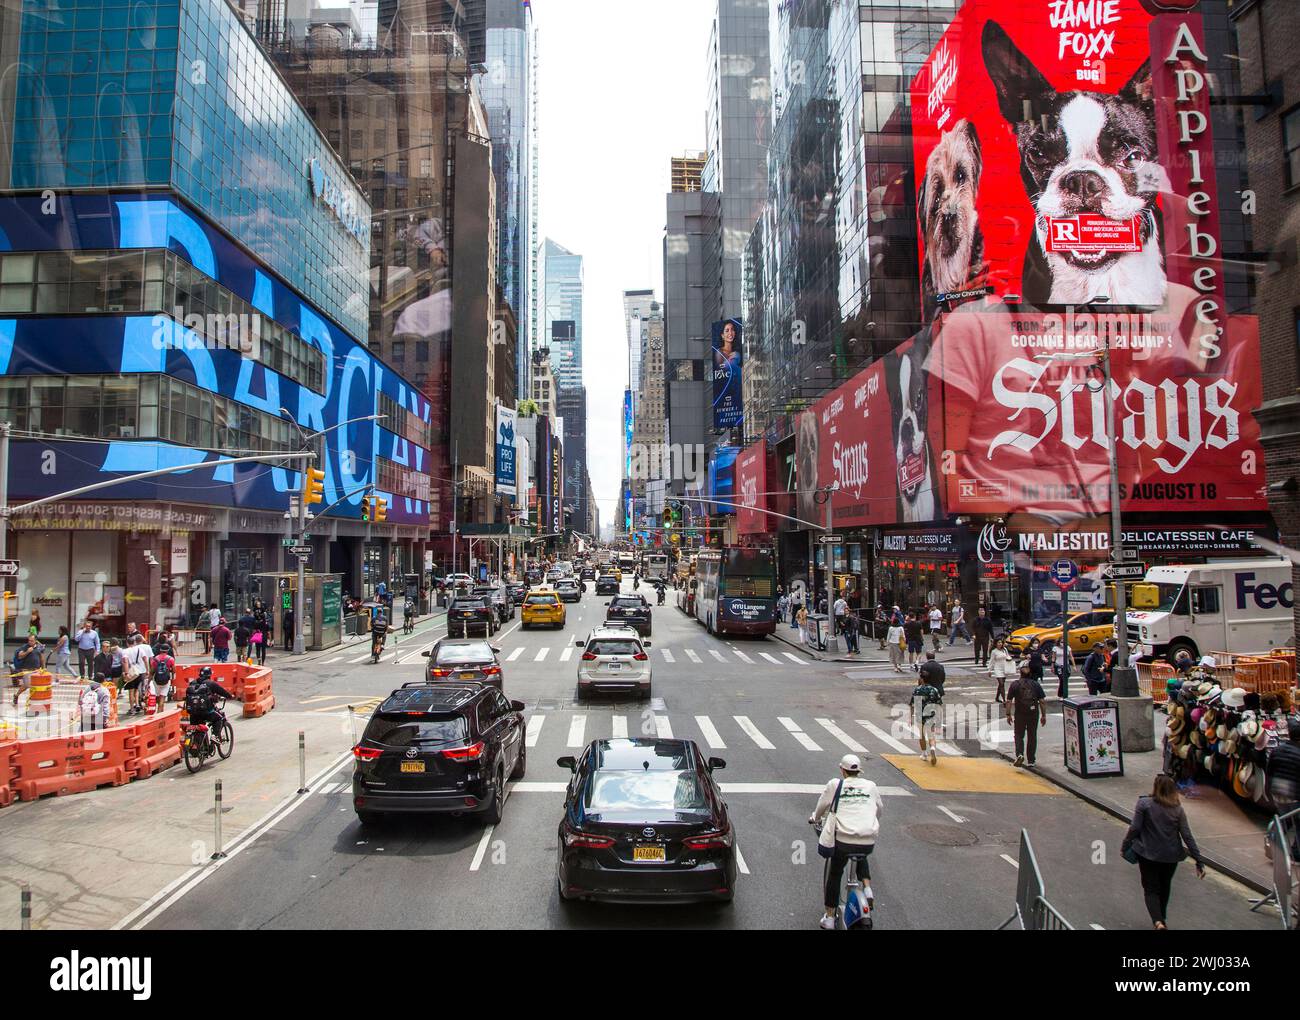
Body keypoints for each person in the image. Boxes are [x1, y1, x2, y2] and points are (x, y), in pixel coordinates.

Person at [1121, 775, 1205, 929]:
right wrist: (1199, 860)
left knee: (1151, 889)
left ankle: (1158, 921)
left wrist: (1125, 845)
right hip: (1171, 857)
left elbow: (1135, 828)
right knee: (1165, 887)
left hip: (1148, 854)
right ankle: (1162, 918)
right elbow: (1187, 835)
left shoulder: (1144, 803)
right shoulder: (1178, 810)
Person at [810, 753, 881, 929]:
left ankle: (829, 917)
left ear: (842, 770)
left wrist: (815, 817)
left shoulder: (836, 784)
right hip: (867, 838)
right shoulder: (871, 786)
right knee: (861, 853)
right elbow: (878, 809)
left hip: (843, 839)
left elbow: (821, 807)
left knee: (835, 873)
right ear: (859, 771)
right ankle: (867, 887)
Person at [1005, 662, 1047, 768]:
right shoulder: (1035, 684)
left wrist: (1008, 714)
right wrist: (1043, 715)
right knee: (1032, 735)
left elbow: (1009, 701)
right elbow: (1042, 701)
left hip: (1020, 713)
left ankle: (1019, 754)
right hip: (1033, 713)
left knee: (1019, 735)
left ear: (1020, 672)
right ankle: (1031, 760)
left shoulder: (1015, 684)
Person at [184, 666, 236, 744]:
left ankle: (200, 747)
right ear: (209, 675)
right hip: (206, 712)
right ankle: (215, 736)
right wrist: (230, 696)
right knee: (219, 719)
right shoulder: (211, 683)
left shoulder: (192, 683)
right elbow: (222, 692)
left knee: (197, 726)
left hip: (193, 712)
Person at [1264, 714, 1300, 817]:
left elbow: (1269, 771)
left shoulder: (1277, 750)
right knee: (1296, 822)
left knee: (1284, 819)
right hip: (1294, 794)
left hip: (1278, 792)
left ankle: (1277, 831)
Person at [910, 667, 944, 765]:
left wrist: (911, 716)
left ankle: (924, 754)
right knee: (931, 736)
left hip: (920, 716)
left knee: (921, 736)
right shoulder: (934, 690)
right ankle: (932, 748)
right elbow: (939, 705)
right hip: (931, 716)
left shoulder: (917, 690)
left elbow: (913, 704)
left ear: (922, 679)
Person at [121, 634, 153, 715]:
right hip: (140, 671)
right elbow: (145, 659)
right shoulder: (139, 650)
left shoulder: (125, 651)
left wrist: (126, 672)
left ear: (127, 643)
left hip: (131, 672)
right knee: (138, 689)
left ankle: (132, 709)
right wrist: (147, 670)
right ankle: (138, 704)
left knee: (131, 691)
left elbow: (125, 662)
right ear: (134, 642)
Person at [988, 636, 1014, 704]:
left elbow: (1008, 656)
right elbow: (992, 661)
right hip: (997, 668)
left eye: (1001, 642)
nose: (1000, 644)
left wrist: (1009, 659)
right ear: (995, 644)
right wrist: (989, 670)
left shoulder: (1005, 649)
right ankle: (1004, 700)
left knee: (1001, 685)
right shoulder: (994, 651)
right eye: (998, 642)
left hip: (1004, 668)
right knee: (1001, 683)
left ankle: (997, 697)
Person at [150, 645, 176, 710]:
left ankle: (160, 710)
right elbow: (174, 670)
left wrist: (149, 681)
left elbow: (152, 671)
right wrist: (172, 678)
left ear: (160, 650)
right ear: (167, 650)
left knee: (158, 696)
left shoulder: (155, 659)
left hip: (156, 680)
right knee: (163, 697)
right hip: (166, 680)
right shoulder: (170, 659)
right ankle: (160, 712)